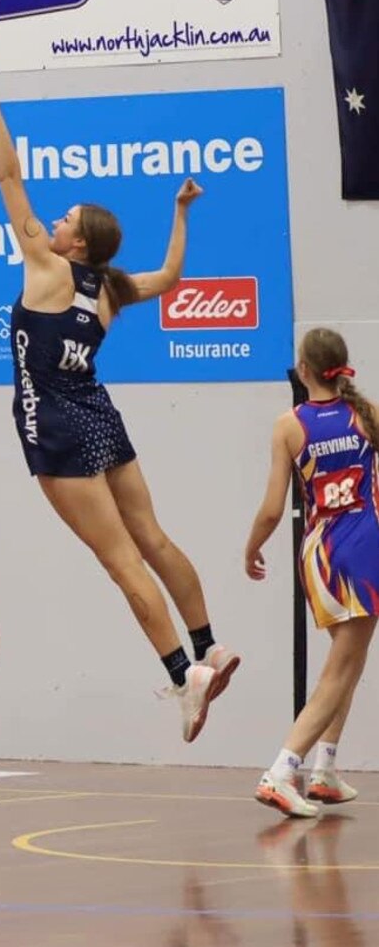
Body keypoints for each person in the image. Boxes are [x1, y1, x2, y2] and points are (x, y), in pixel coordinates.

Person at [0, 48, 239, 742]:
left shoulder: (45, 266)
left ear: (78, 242)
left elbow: (7, 175)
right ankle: (209, 643)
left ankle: (186, 675)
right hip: (99, 412)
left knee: (120, 560)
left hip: (57, 425)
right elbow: (174, 277)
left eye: (64, 221)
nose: (53, 224)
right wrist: (181, 212)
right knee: (152, 536)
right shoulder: (111, 289)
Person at [246, 327, 379, 817]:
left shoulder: (289, 424)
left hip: (319, 554)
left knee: (349, 661)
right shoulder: (366, 416)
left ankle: (323, 769)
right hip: (362, 548)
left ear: (303, 371)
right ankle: (282, 770)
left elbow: (271, 510)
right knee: (340, 669)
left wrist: (251, 547)